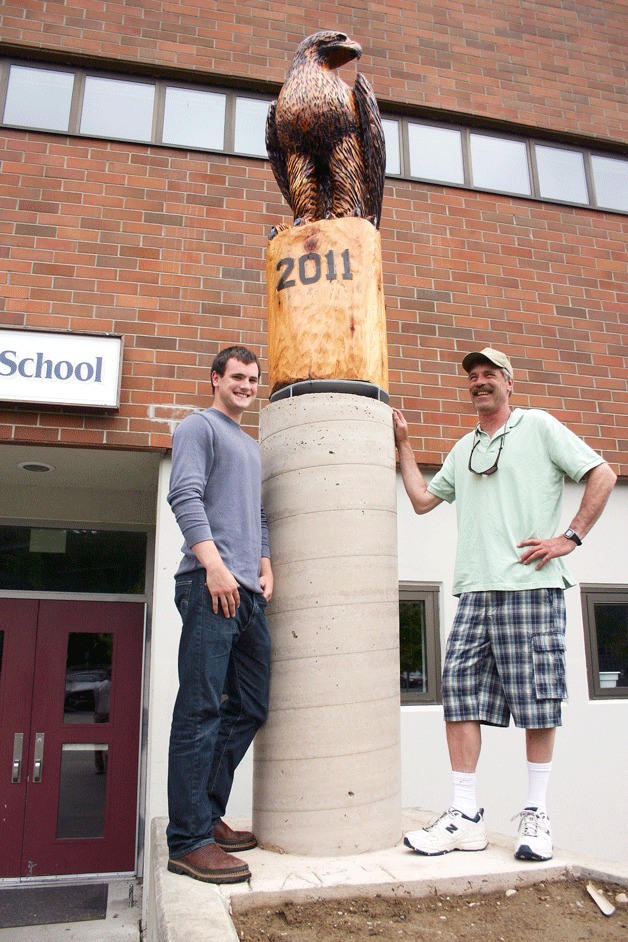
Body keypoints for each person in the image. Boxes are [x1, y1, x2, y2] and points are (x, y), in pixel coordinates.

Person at [393, 347, 616, 862]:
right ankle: (465, 815)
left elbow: (601, 474)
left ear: (509, 383)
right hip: (475, 591)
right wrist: (404, 446)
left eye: (489, 374)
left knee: (538, 700)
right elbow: (423, 500)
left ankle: (536, 814)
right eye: (473, 377)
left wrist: (570, 537)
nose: (479, 382)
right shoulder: (464, 447)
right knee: (459, 696)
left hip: (531, 587)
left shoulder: (537, 426)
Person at [166, 345, 273, 884]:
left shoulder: (251, 446)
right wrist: (213, 566)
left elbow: (256, 512)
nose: (247, 386)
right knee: (200, 710)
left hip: (247, 592)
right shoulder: (197, 427)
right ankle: (188, 841)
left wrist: (264, 563)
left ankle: (206, 815)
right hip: (210, 587)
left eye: (253, 379)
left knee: (251, 704)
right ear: (215, 379)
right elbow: (183, 495)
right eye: (237, 377)